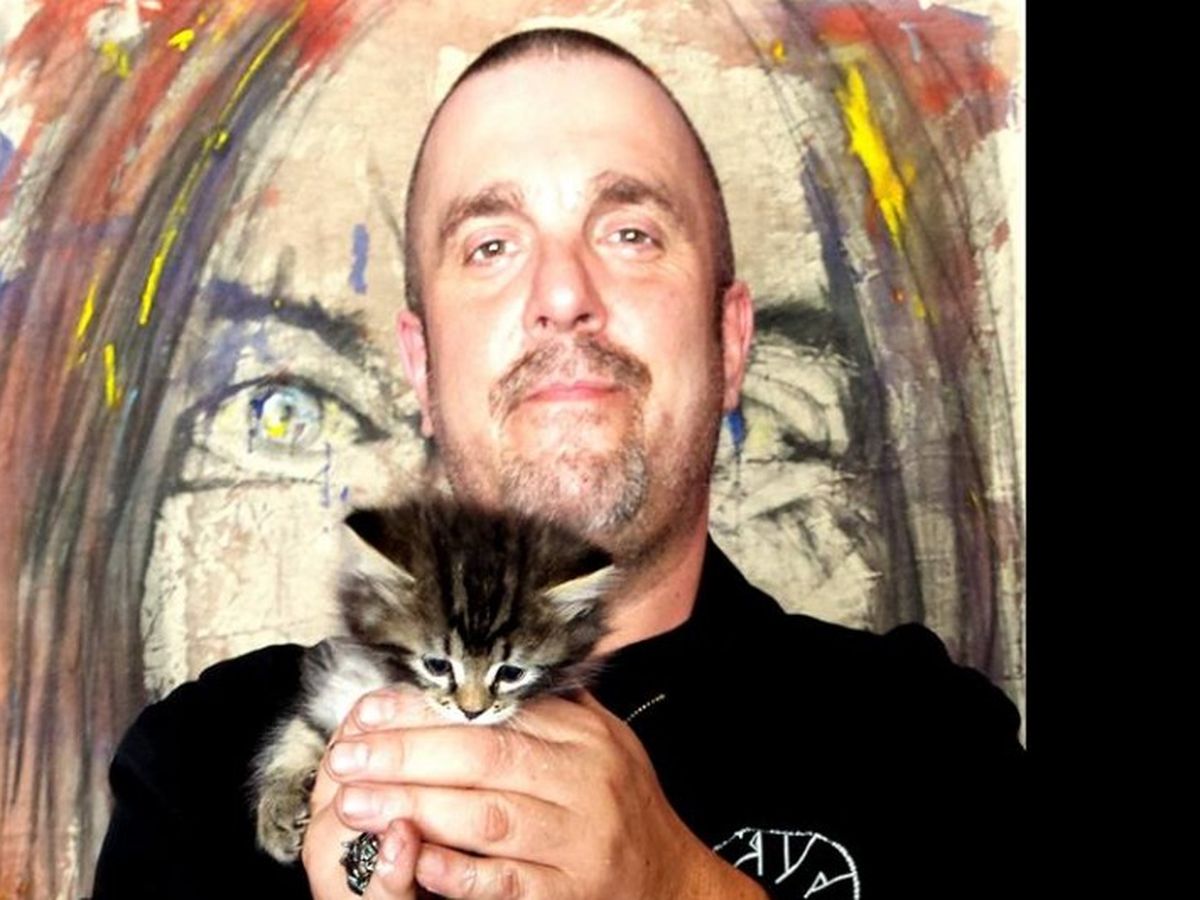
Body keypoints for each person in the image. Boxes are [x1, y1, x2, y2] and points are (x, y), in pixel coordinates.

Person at [91, 27, 1023, 900]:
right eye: (491, 246)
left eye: (630, 233)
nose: (564, 294)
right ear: (420, 367)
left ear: (732, 340)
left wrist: (685, 889)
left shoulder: (931, 741)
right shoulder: (197, 765)